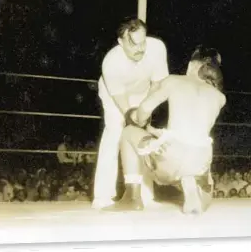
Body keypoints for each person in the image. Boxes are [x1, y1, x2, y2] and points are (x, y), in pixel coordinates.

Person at [102, 46, 226, 214]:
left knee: (128, 132)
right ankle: (190, 183)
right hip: (200, 161)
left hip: (170, 157)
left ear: (192, 65)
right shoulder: (219, 97)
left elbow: (143, 112)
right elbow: (191, 130)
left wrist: (139, 118)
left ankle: (132, 198)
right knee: (204, 202)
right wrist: (158, 132)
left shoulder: (173, 80)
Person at [92, 18, 169, 209]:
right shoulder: (110, 62)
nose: (141, 48)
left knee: (142, 137)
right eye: (134, 43)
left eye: (143, 41)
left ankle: (146, 195)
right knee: (115, 133)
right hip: (116, 96)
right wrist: (133, 117)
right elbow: (123, 104)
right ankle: (102, 196)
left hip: (144, 93)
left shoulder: (157, 47)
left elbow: (158, 84)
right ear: (121, 41)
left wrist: (145, 110)